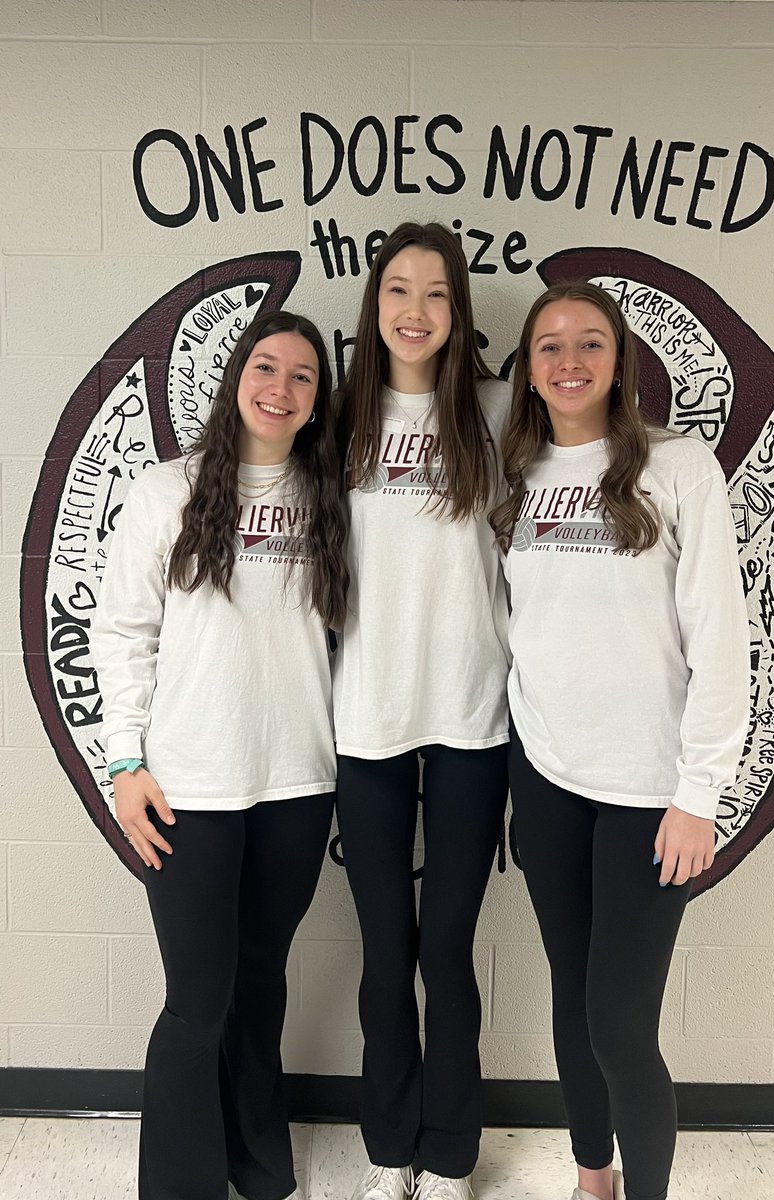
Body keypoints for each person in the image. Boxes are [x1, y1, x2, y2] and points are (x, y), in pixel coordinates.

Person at [491, 282, 750, 1200]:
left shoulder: (678, 470)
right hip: (550, 776)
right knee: (573, 994)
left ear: (619, 359)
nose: (569, 361)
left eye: (589, 343)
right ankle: (591, 1176)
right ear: (526, 368)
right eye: (549, 346)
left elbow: (722, 640)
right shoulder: (513, 476)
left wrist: (699, 794)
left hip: (651, 791)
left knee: (620, 1026)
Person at [92, 310, 348, 1200]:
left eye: (303, 377)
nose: (281, 387)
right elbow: (121, 633)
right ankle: (179, 1186)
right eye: (266, 367)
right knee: (197, 1000)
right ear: (237, 376)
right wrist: (124, 764)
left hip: (297, 783)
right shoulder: (169, 491)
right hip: (189, 788)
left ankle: (257, 1159)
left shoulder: (329, 499)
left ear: (319, 401)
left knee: (261, 984)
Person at [334, 222, 511, 1200]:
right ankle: (387, 1144)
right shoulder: (338, 424)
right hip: (365, 720)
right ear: (374, 305)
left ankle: (446, 1155)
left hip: (469, 721)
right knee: (382, 950)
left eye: (436, 293)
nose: (414, 310)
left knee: (443, 950)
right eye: (397, 289)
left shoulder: (492, 411)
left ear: (456, 312)